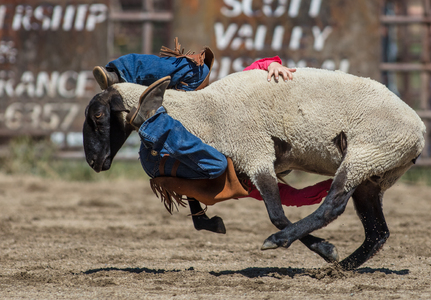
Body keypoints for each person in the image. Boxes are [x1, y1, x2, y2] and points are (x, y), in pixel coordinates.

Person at [93, 38, 332, 210]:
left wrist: (342, 184)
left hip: (160, 159)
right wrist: (272, 64)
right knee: (198, 69)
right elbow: (249, 75)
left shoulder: (251, 179)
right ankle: (118, 73)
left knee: (218, 165)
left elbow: (294, 197)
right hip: (181, 119)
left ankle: (150, 120)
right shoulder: (242, 109)